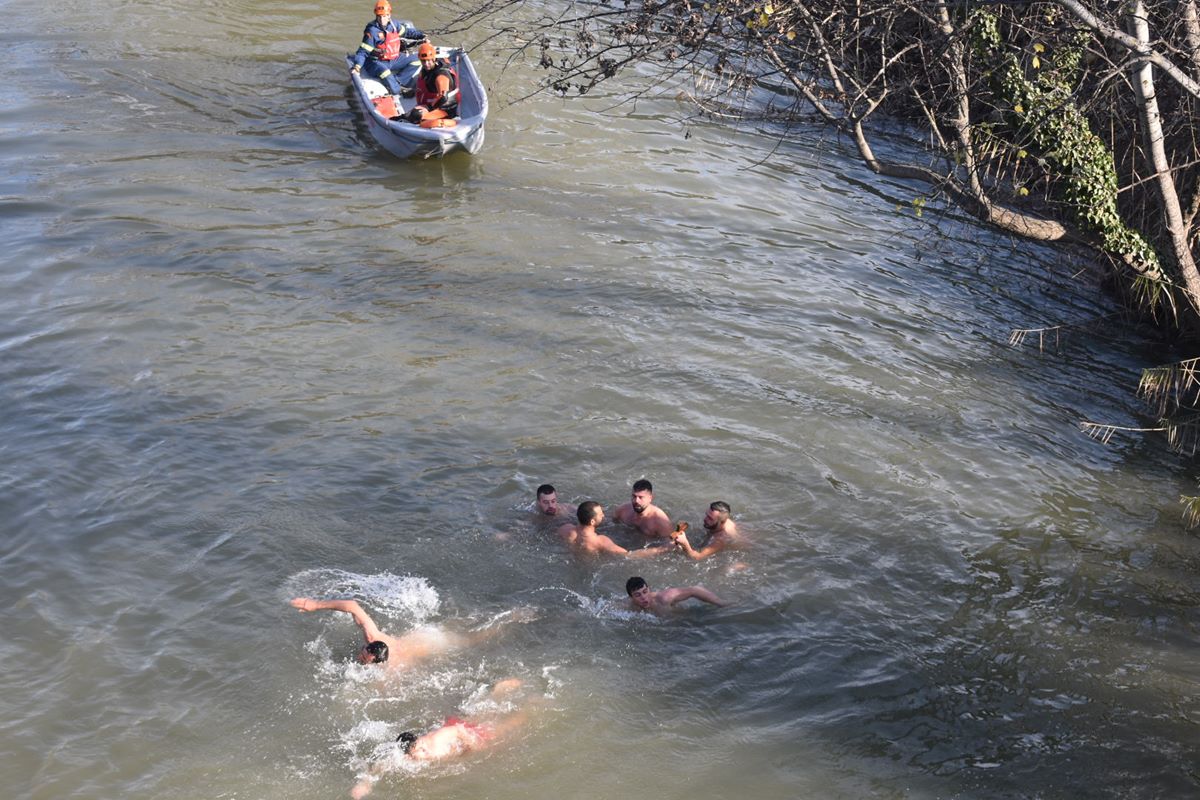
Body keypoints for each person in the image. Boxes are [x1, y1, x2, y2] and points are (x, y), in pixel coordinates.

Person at [350, 678, 531, 797]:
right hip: (454, 731)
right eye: (416, 752)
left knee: (505, 726)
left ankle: (526, 707)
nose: (421, 751)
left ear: (419, 741)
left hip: (463, 732)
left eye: (420, 747)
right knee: (482, 713)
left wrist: (473, 747)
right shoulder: (408, 755)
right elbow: (381, 765)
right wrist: (366, 784)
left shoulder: (434, 742)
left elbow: (458, 729)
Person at [290, 597, 529, 669]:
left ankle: (513, 618)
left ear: (379, 662)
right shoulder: (374, 639)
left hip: (434, 643)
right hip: (422, 634)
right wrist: (314, 604)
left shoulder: (390, 671)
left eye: (364, 658)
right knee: (467, 624)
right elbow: (353, 605)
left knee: (473, 637)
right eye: (363, 653)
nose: (360, 655)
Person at [349, 1, 425, 96]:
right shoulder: (372, 31)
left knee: (417, 60)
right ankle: (397, 91)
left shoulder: (394, 25)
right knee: (385, 72)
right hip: (376, 62)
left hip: (393, 59)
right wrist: (357, 66)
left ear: (389, 15)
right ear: (376, 15)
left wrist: (421, 35)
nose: (382, 19)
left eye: (384, 16)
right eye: (379, 16)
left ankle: (397, 81)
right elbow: (362, 51)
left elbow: (407, 32)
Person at [557, 501, 670, 559]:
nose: (603, 516)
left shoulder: (565, 529)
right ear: (592, 521)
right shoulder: (600, 541)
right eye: (601, 514)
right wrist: (661, 549)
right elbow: (629, 556)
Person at [404, 42, 459, 126]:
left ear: (433, 58)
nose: (426, 64)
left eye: (428, 60)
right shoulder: (431, 67)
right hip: (429, 100)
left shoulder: (440, 77)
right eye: (423, 61)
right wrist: (415, 91)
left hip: (444, 109)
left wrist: (428, 108)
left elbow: (443, 97)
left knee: (415, 116)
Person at [671, 501, 741, 560]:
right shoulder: (722, 520)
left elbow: (697, 557)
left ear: (722, 522)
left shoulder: (720, 539)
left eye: (710, 518)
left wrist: (685, 544)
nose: (705, 519)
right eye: (707, 515)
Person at [625, 576, 727, 615]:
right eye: (638, 595)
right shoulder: (629, 605)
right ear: (631, 597)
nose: (644, 597)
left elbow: (694, 590)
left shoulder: (663, 598)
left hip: (689, 618)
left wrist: (720, 602)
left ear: (649, 589)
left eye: (645, 591)